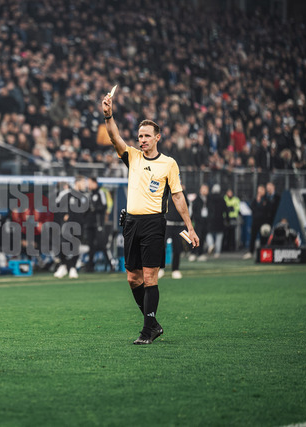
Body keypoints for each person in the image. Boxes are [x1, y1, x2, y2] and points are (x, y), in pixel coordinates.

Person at [102, 93, 199, 345]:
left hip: (154, 224)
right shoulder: (132, 157)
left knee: (149, 277)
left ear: (157, 137)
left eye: (146, 136)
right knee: (132, 278)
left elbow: (177, 196)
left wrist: (190, 227)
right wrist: (108, 115)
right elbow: (114, 137)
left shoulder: (168, 164)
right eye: (139, 136)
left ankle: (147, 331)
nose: (142, 140)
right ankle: (152, 323)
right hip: (131, 223)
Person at [53, 177, 88, 279]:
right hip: (67, 225)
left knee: (76, 247)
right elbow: (57, 206)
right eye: (83, 182)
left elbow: (87, 211)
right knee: (62, 245)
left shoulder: (85, 196)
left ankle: (73, 268)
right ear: (77, 182)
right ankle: (63, 265)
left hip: (79, 225)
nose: (85, 185)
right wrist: (64, 215)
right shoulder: (67, 193)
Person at [83, 176, 114, 272]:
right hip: (89, 224)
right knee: (90, 245)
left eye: (89, 183)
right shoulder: (89, 194)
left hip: (98, 223)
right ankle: (90, 267)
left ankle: (111, 265)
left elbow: (104, 206)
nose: (88, 185)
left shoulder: (101, 192)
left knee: (102, 244)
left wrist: (94, 209)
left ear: (94, 183)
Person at [159, 189, 189, 279]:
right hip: (167, 224)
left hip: (179, 225)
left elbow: (187, 207)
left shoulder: (182, 193)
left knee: (177, 247)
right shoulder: (166, 192)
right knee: (162, 246)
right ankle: (160, 268)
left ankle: (175, 269)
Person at [243, 185, 268, 259]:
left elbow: (265, 210)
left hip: (263, 222)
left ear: (264, 191)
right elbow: (252, 207)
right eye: (258, 190)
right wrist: (257, 201)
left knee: (263, 238)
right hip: (255, 221)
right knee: (253, 237)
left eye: (261, 190)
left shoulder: (266, 199)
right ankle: (251, 252)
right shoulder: (255, 199)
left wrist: (260, 202)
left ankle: (263, 252)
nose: (259, 192)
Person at [206, 184, 229, 258]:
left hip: (210, 220)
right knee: (219, 237)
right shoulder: (222, 199)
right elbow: (226, 210)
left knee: (208, 233)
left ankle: (211, 244)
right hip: (220, 220)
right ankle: (217, 252)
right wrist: (227, 220)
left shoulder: (209, 198)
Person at [190, 184, 210, 262]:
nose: (204, 191)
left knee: (203, 237)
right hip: (198, 222)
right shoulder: (197, 199)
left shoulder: (209, 199)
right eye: (203, 189)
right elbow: (194, 210)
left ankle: (200, 253)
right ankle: (193, 253)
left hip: (206, 221)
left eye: (206, 189)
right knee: (196, 237)